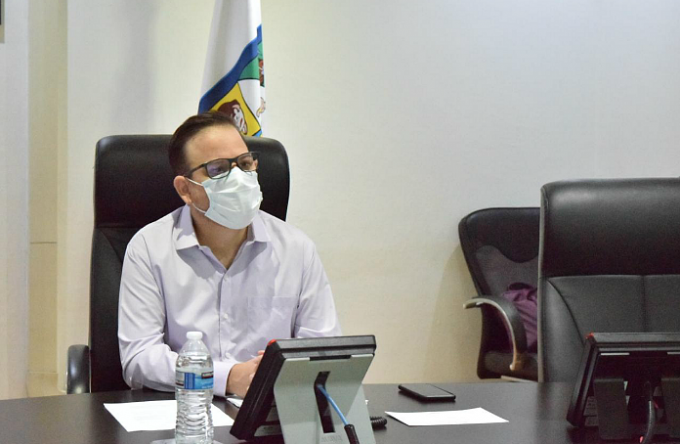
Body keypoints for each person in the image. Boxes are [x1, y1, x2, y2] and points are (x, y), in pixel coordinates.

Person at [118, 112, 341, 397]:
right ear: (185, 189)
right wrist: (227, 377)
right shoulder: (149, 248)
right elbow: (139, 358)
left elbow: (323, 350)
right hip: (185, 410)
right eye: (218, 169)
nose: (238, 178)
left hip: (270, 410)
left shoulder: (296, 249)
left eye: (245, 164)